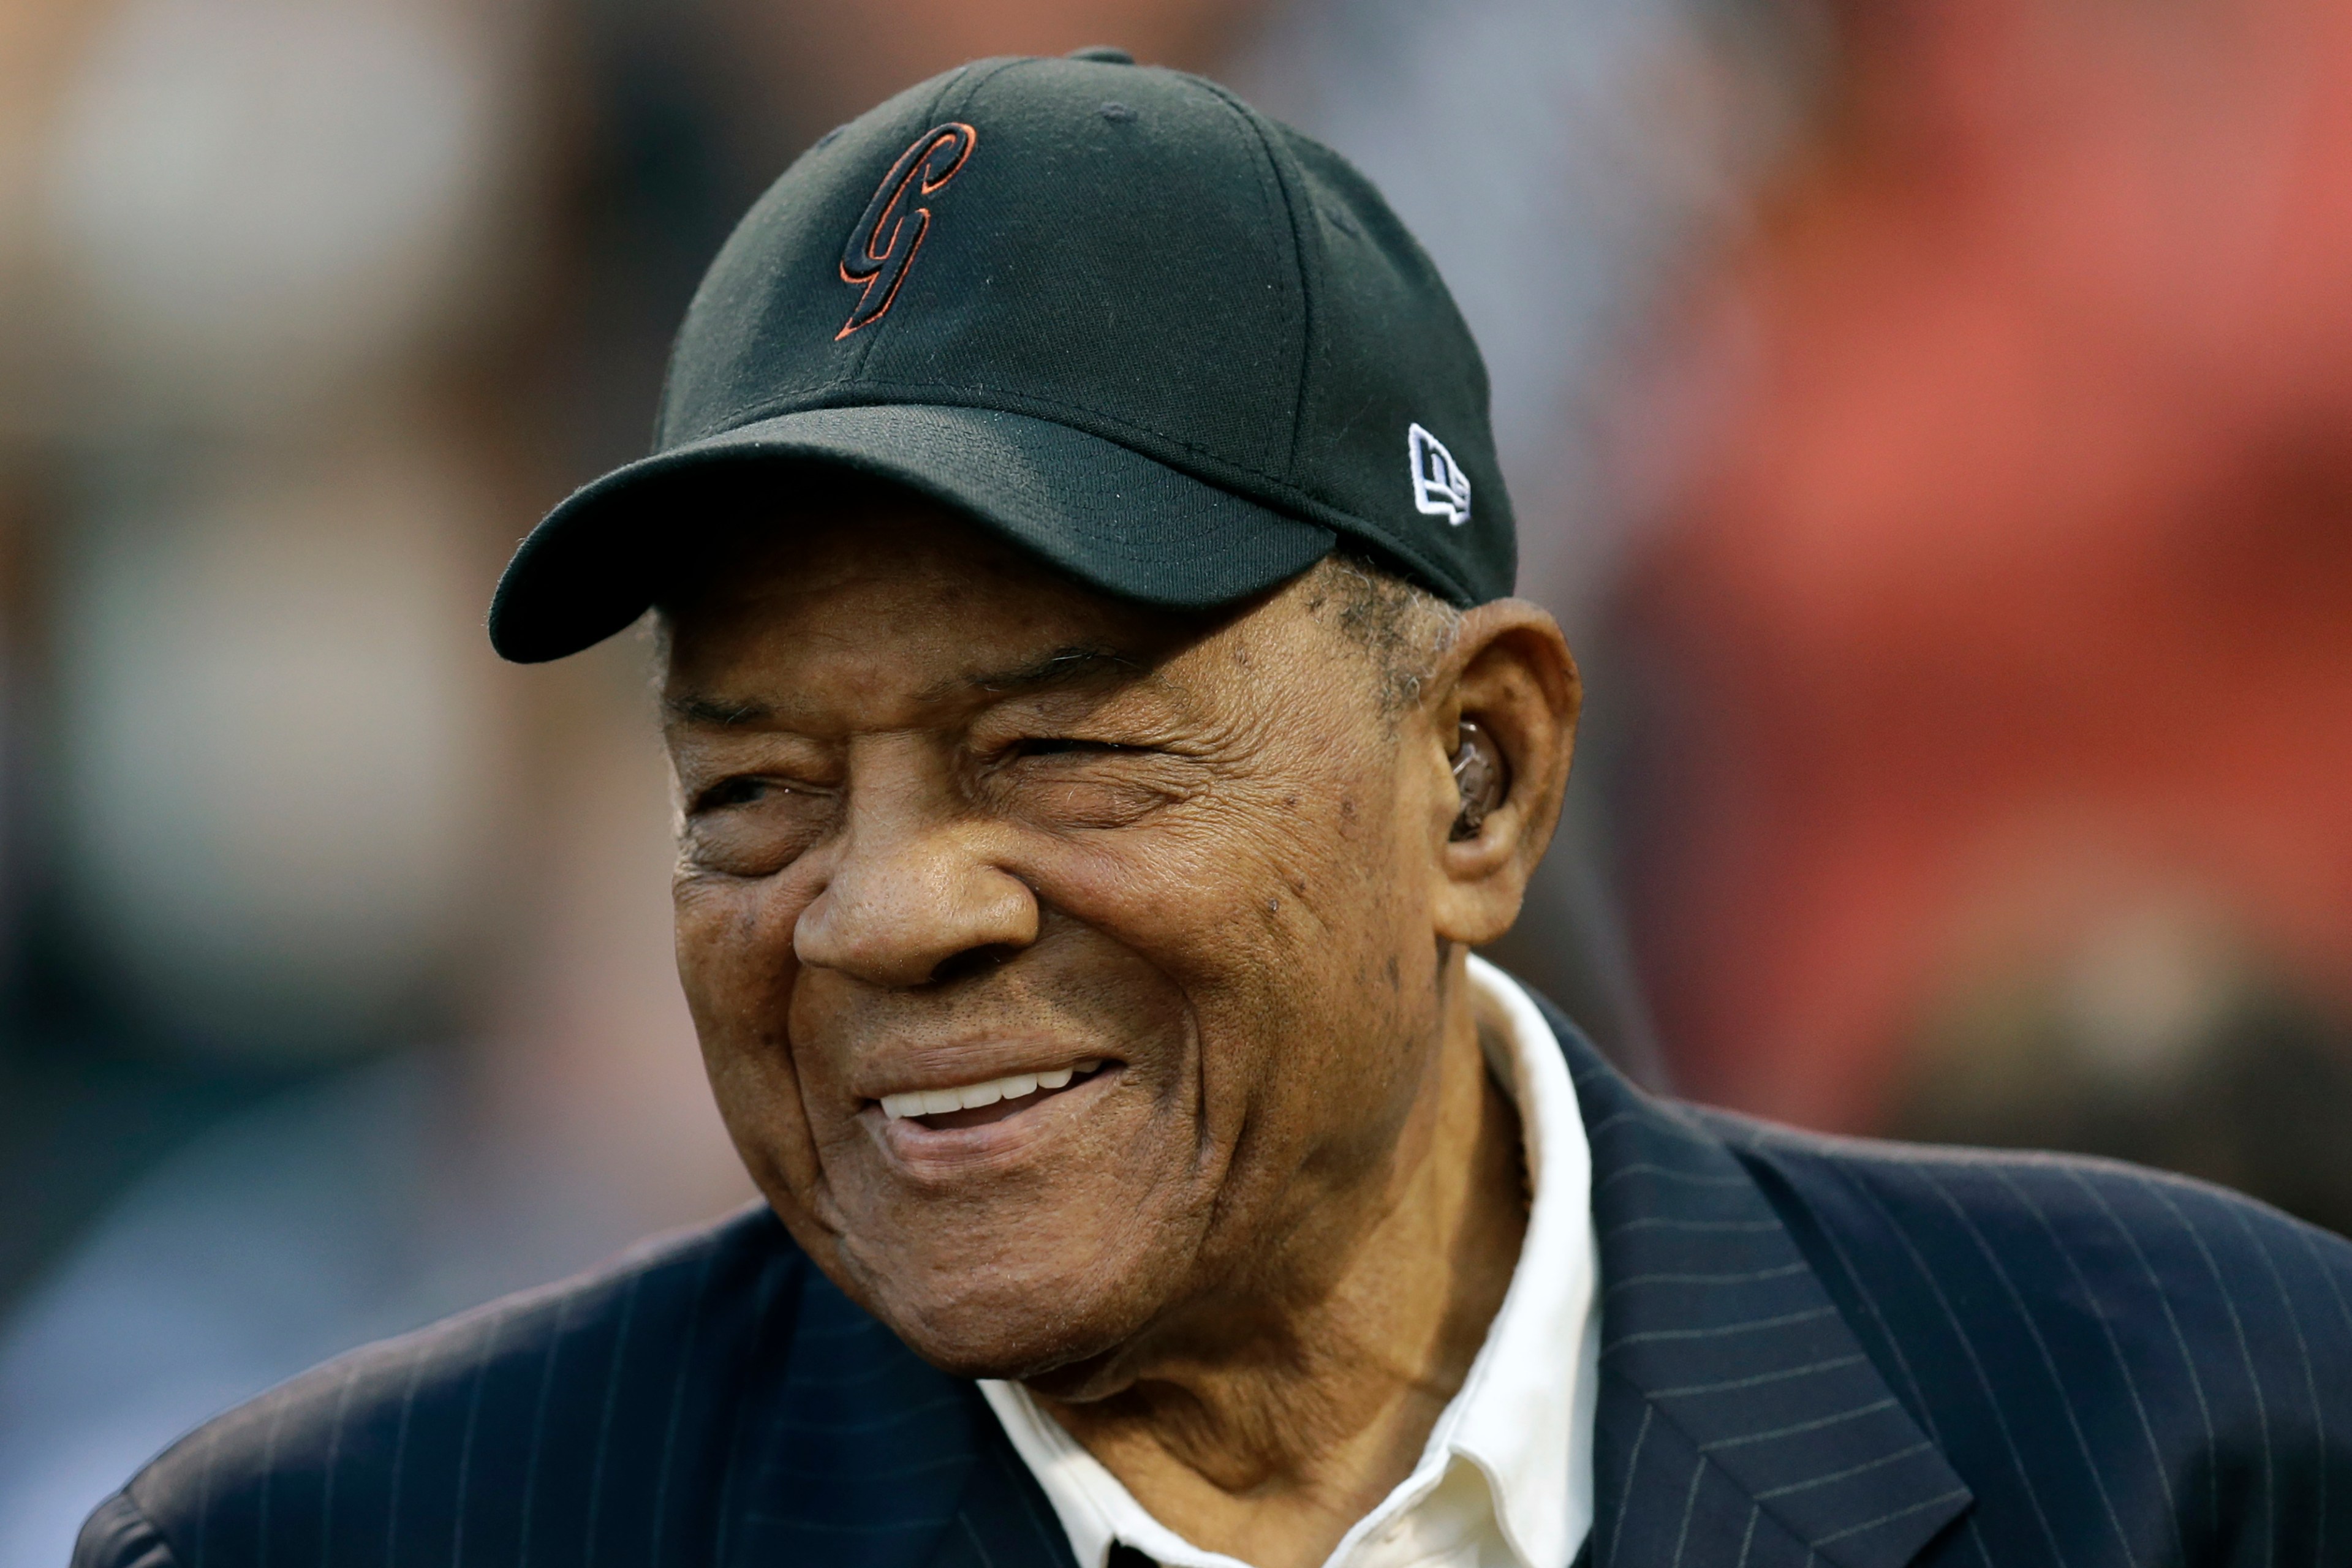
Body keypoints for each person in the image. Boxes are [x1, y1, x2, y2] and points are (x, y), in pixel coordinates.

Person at [75, 50, 2350, 1568]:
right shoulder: (363, 1542)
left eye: (1055, 751)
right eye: (753, 789)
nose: (881, 912)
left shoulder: (2196, 1433)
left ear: (1480, 774)